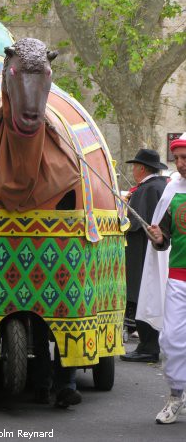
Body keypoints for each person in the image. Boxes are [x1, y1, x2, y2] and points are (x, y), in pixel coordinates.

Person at [144, 133, 186, 424]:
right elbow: (165, 238)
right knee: (171, 339)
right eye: (178, 158)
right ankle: (176, 395)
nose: (181, 164)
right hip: (179, 279)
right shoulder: (172, 190)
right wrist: (159, 238)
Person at [120, 149, 168, 363]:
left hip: (142, 251)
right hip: (156, 249)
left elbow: (134, 223)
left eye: (135, 167)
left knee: (143, 296)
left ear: (141, 168)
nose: (133, 170)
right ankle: (149, 344)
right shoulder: (160, 187)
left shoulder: (147, 190)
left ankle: (147, 346)